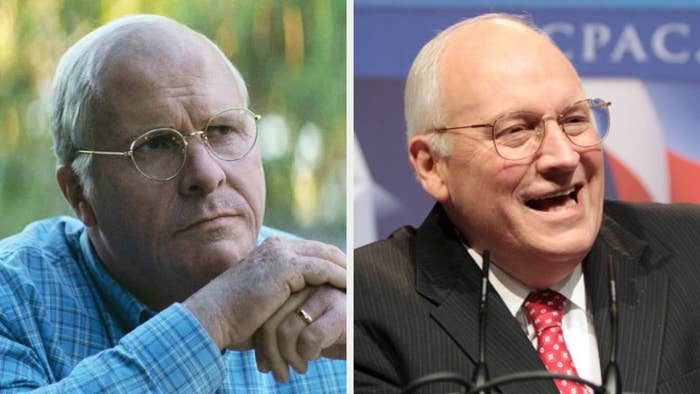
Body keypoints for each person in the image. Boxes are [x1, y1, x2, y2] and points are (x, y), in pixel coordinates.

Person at [354, 13, 700, 394]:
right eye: (516, 130)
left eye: (574, 120)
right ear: (432, 165)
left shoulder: (690, 249)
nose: (564, 156)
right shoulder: (365, 306)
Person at [0, 15, 346, 392]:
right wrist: (216, 316)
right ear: (79, 193)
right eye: (154, 144)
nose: (207, 174)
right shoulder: (14, 301)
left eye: (222, 130)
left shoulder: (327, 297)